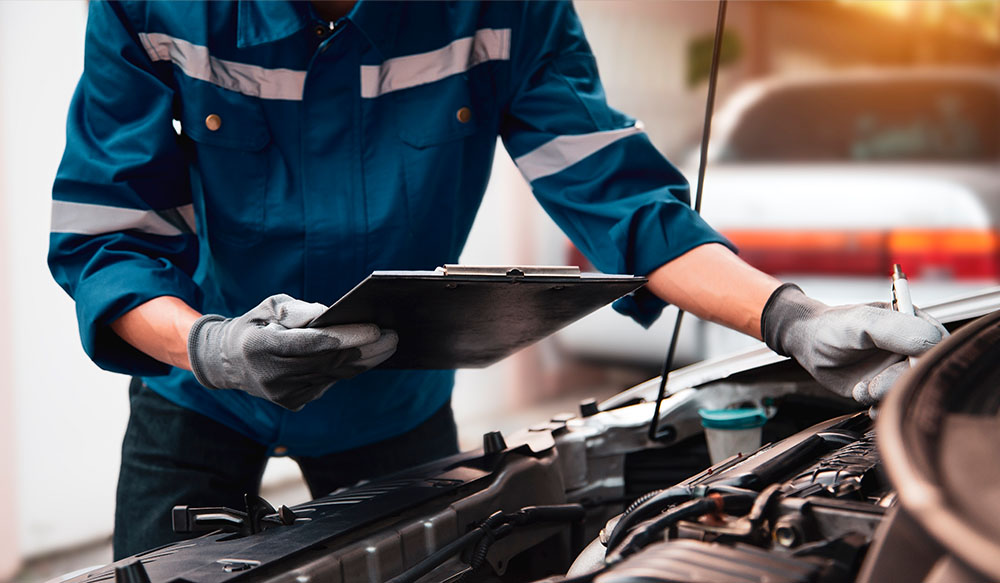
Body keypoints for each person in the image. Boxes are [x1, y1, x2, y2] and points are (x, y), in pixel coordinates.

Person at [49, 0, 945, 559]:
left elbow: (622, 200)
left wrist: (789, 317)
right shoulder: (151, 3)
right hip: (199, 395)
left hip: (392, 404)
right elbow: (107, 235)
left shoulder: (505, 8)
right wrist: (209, 345)